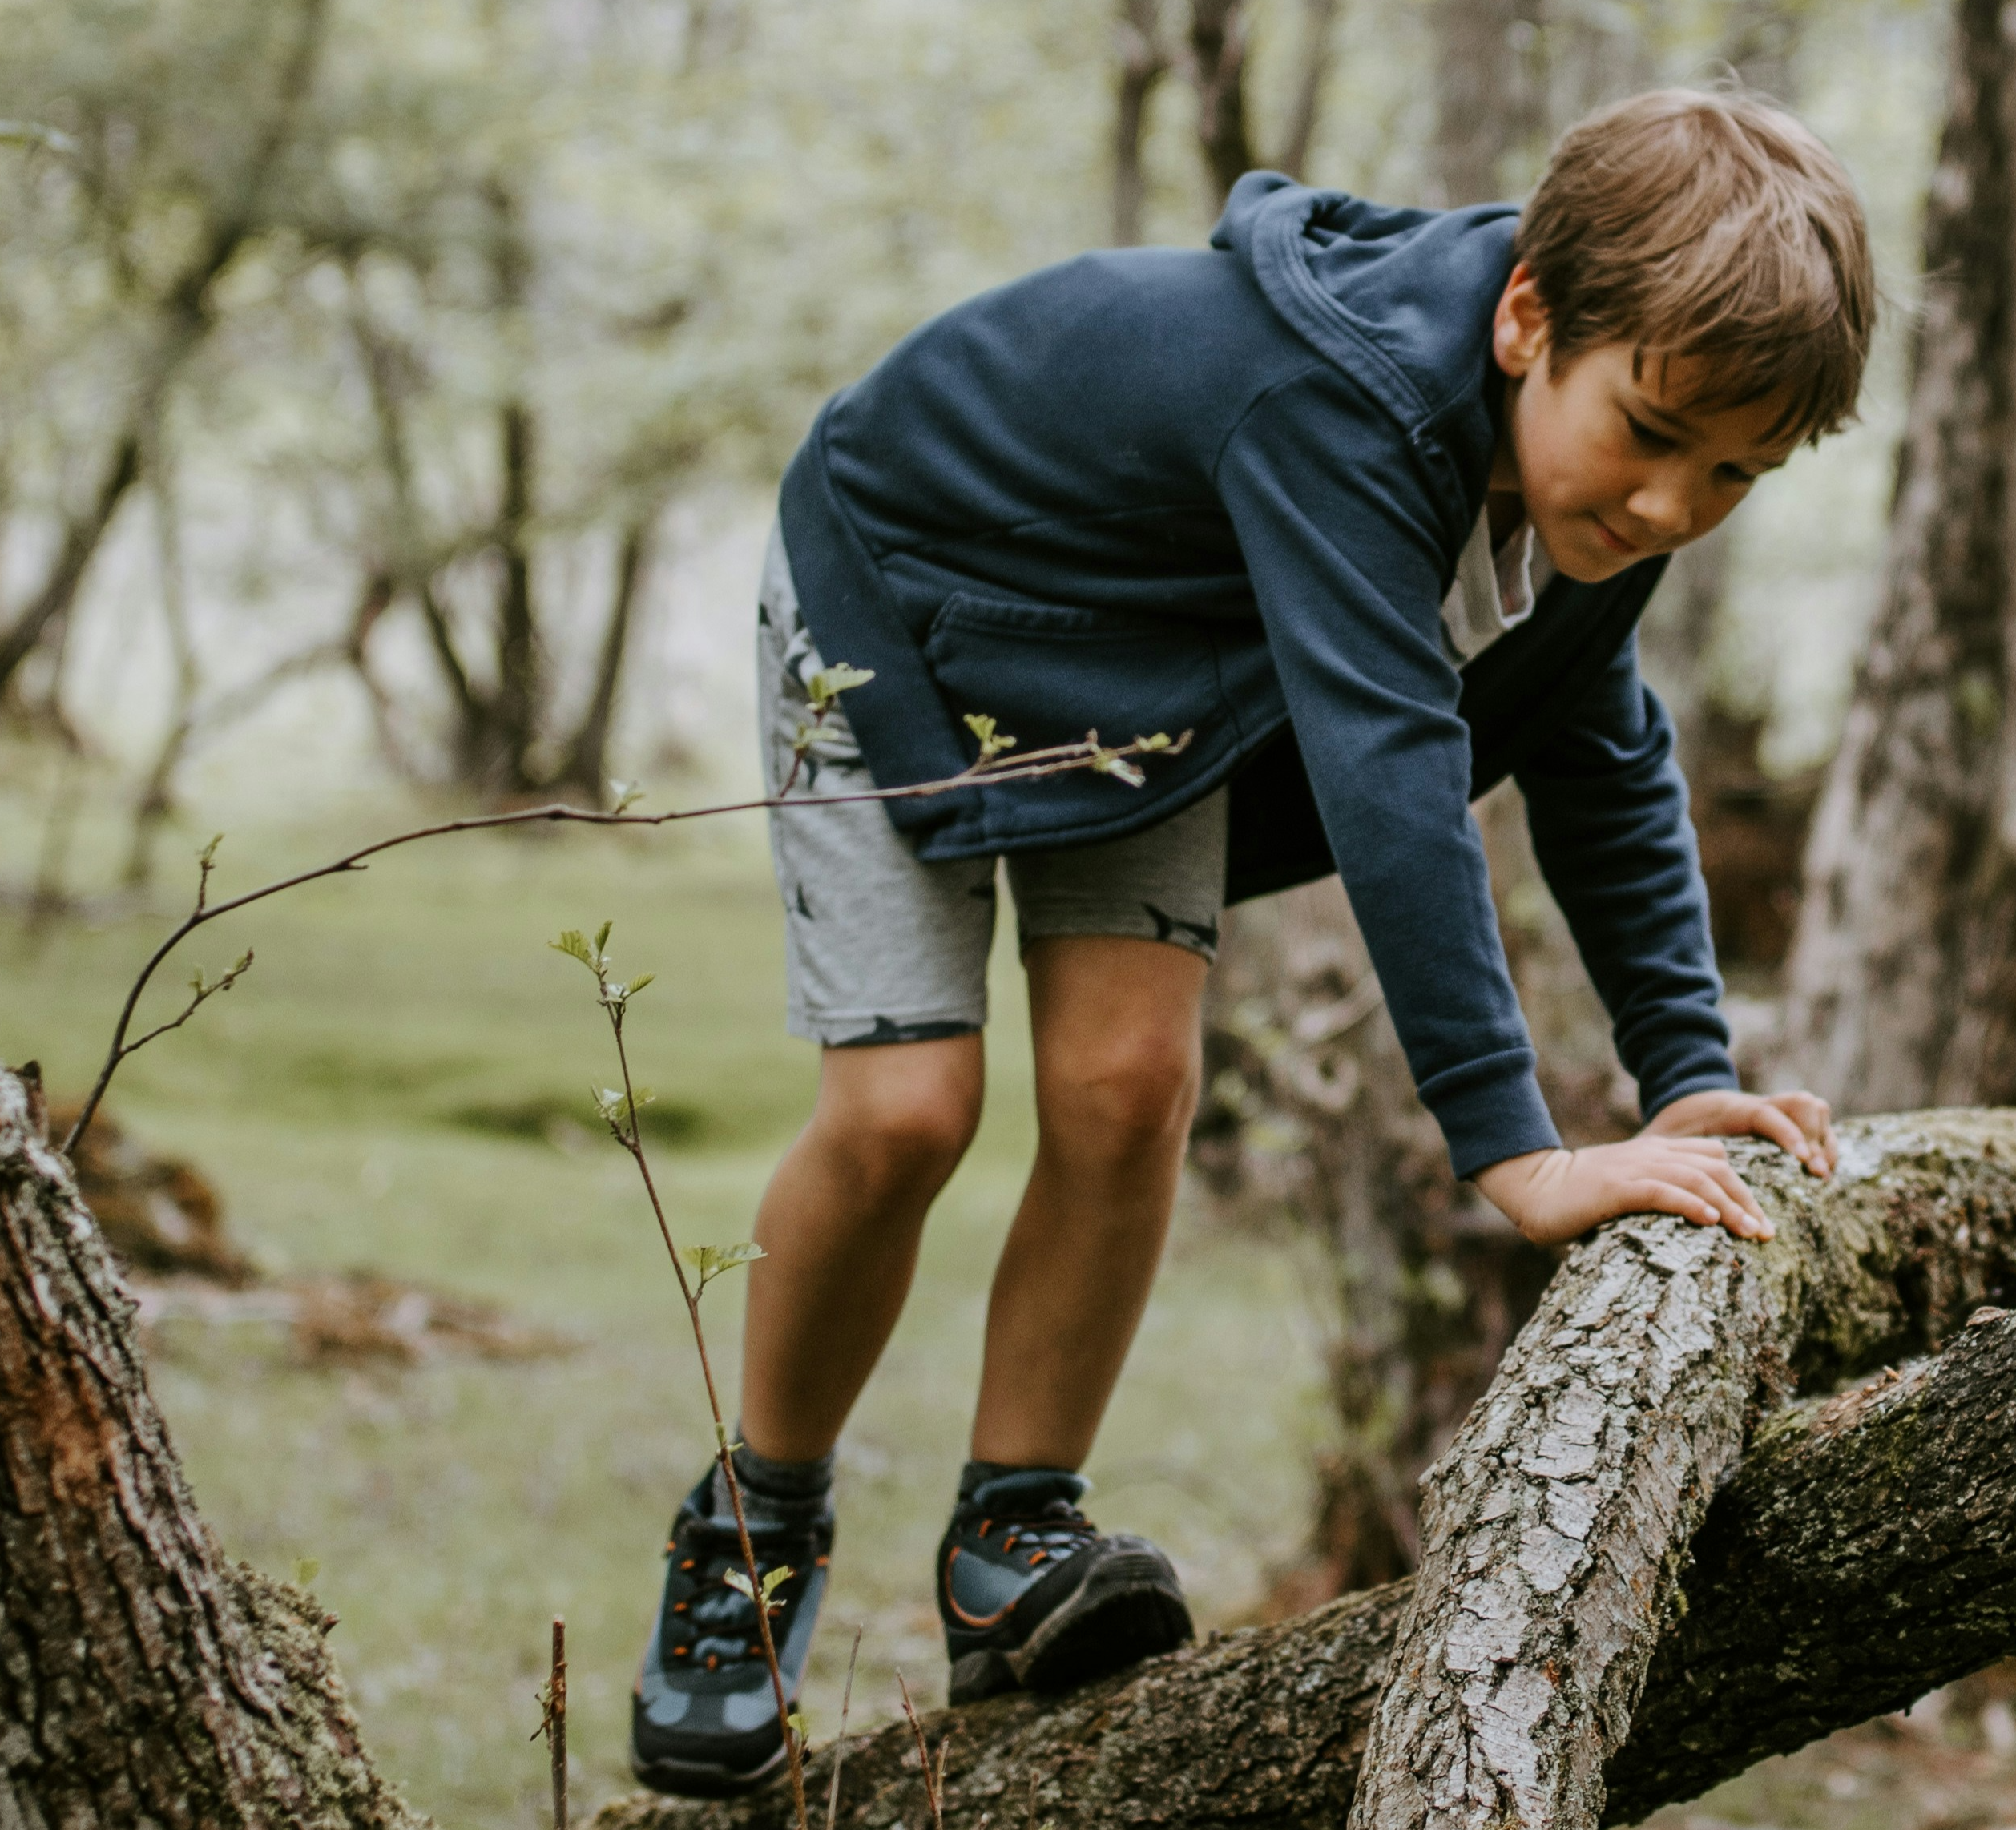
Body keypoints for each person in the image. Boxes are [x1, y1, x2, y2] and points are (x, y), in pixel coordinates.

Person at [627, 87, 1876, 1798]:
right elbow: (1388, 758)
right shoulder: (1344, 406)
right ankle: (751, 1526)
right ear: (1528, 318)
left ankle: (1014, 1538)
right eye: (1654, 434)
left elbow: (1597, 742)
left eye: (1734, 471)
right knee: (907, 1107)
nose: (1672, 504)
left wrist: (1685, 1073)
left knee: (1129, 1081)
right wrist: (1512, 1150)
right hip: (903, 588)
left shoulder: (1592, 478)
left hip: (1152, 668)